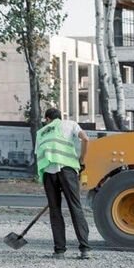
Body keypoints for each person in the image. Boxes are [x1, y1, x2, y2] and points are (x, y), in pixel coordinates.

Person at [35, 108, 91, 259]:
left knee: (55, 210)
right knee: (75, 207)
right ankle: (84, 249)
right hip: (67, 170)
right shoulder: (70, 124)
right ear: (60, 117)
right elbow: (85, 139)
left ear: (47, 119)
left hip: (48, 173)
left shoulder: (41, 132)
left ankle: (59, 251)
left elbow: (39, 155)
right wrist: (81, 161)